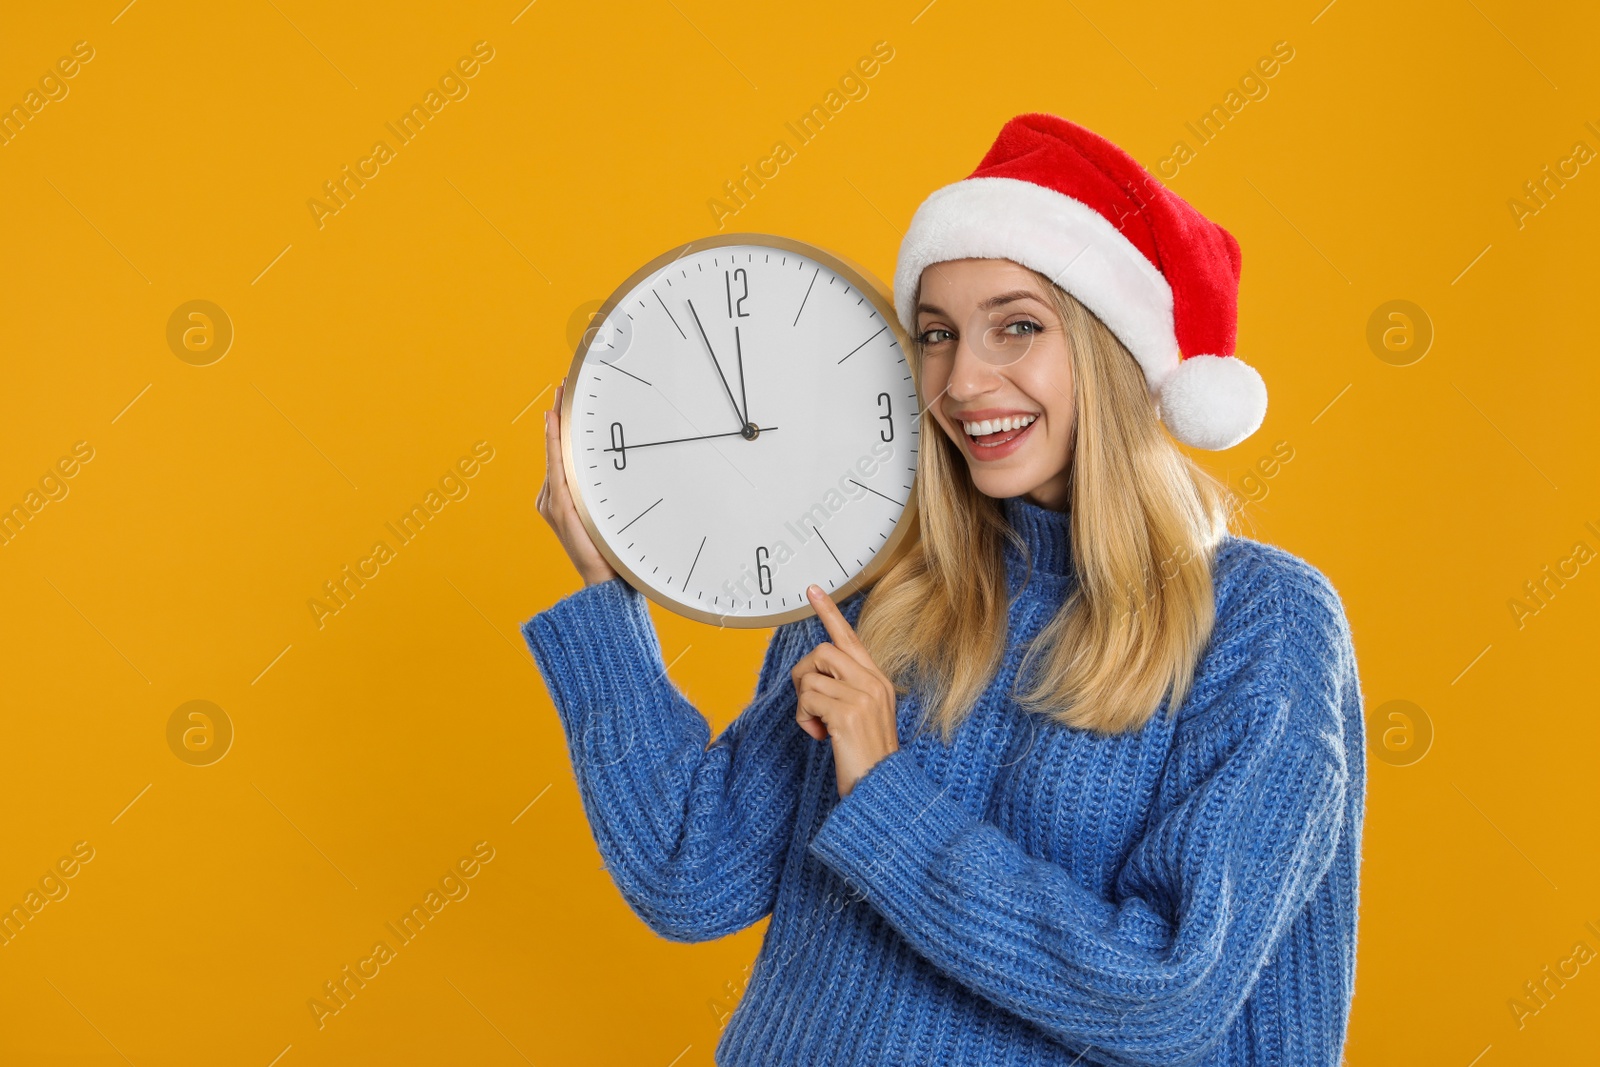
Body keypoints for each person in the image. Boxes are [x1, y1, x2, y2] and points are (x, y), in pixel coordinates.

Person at [524, 112, 1365, 1066]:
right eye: (934, 335)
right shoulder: (880, 592)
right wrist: (604, 589)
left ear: (1112, 351)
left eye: (1017, 327)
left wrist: (884, 788)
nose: (963, 380)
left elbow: (1166, 997)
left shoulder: (1259, 620)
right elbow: (693, 873)